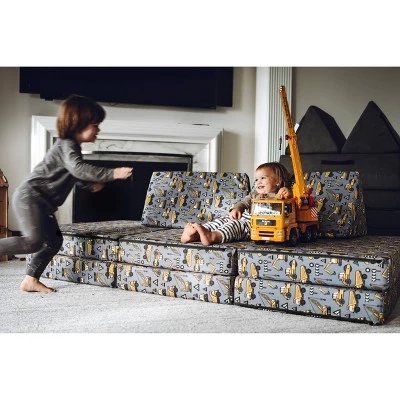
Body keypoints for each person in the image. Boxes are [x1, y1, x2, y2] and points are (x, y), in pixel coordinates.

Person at [0, 95, 134, 293]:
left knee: (54, 242)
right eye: (95, 125)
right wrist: (113, 173)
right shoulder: (66, 144)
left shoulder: (73, 149)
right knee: (33, 241)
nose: (98, 130)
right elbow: (78, 169)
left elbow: (74, 174)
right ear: (79, 124)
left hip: (43, 205)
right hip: (31, 198)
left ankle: (30, 280)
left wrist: (90, 186)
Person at [180, 162, 292, 246]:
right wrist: (237, 209)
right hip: (242, 217)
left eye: (263, 178)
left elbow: (290, 200)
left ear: (278, 181)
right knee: (222, 220)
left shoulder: (279, 195)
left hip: (254, 223)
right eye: (256, 179)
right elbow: (244, 203)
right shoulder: (254, 195)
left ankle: (213, 237)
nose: (258, 182)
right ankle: (195, 233)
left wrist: (287, 192)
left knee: (234, 226)